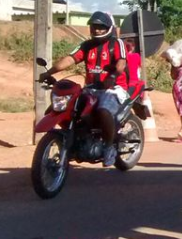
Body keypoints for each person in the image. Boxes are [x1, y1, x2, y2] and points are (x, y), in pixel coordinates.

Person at [43, 11, 128, 167]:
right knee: (68, 108)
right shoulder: (87, 45)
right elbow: (70, 59)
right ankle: (79, 138)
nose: (97, 29)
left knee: (103, 110)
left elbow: (121, 63)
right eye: (94, 26)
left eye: (101, 27)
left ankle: (109, 146)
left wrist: (114, 75)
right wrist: (48, 73)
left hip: (114, 88)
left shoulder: (116, 43)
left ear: (109, 27)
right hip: (90, 88)